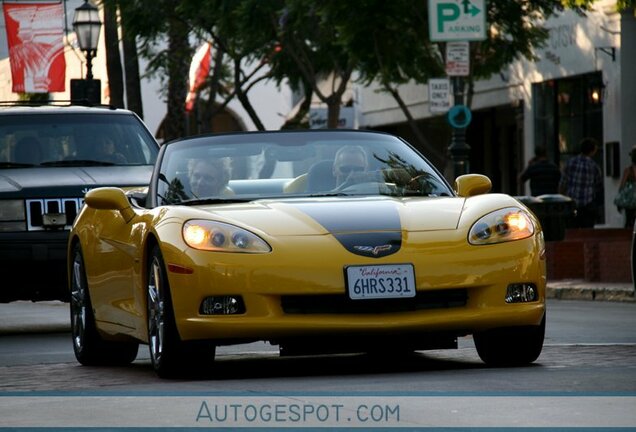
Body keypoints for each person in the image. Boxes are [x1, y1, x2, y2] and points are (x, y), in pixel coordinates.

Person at [559, 137, 603, 228]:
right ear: (592, 151)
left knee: (572, 231)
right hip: (587, 204)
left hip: (572, 203)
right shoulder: (594, 166)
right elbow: (598, 185)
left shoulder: (571, 163)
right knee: (587, 231)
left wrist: (561, 198)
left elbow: (563, 183)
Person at [616, 146, 636, 228]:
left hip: (630, 200)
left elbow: (622, 185)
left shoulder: (628, 170)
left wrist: (619, 201)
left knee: (629, 219)